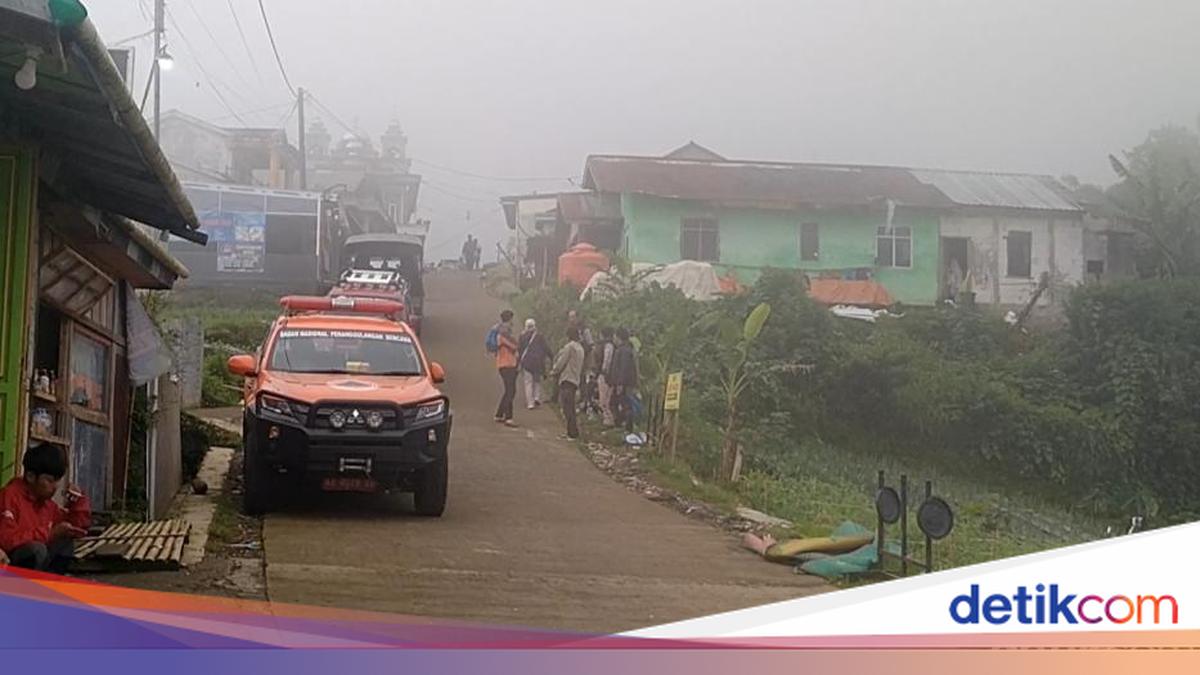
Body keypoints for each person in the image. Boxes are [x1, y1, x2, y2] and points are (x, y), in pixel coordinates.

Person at [0, 443, 91, 573]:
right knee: (37, 550)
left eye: (57, 481)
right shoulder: (9, 496)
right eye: (49, 481)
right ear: (31, 477)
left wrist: (78, 502)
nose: (55, 487)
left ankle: (51, 585)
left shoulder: (46, 503)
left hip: (38, 563)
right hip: (10, 562)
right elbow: (6, 541)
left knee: (65, 542)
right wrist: (50, 533)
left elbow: (77, 525)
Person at [550, 326, 586, 440]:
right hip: (575, 379)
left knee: (567, 408)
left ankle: (572, 433)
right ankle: (571, 431)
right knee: (570, 407)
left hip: (567, 378)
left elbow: (562, 361)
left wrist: (554, 371)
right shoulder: (580, 348)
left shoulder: (570, 347)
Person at [609, 328, 640, 433]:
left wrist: (620, 384)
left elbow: (623, 368)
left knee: (622, 404)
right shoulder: (627, 349)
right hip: (625, 383)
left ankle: (625, 426)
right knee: (620, 403)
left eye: (614, 337)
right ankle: (621, 425)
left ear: (618, 337)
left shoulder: (623, 351)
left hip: (624, 383)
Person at [492, 310, 520, 427]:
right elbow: (514, 346)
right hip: (507, 364)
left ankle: (499, 414)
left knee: (509, 390)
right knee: (510, 390)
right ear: (509, 319)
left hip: (505, 364)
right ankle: (508, 417)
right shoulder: (504, 333)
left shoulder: (499, 331)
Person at [517, 318, 551, 409]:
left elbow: (519, 350)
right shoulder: (539, 336)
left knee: (528, 382)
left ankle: (530, 403)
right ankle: (537, 397)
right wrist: (551, 356)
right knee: (537, 381)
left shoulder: (522, 336)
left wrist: (518, 362)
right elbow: (546, 348)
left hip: (527, 362)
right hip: (538, 362)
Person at [595, 327, 616, 426]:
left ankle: (609, 419)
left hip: (606, 376)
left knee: (604, 399)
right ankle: (607, 419)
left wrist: (604, 370)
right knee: (604, 398)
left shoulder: (608, 345)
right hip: (606, 375)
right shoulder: (609, 345)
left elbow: (607, 359)